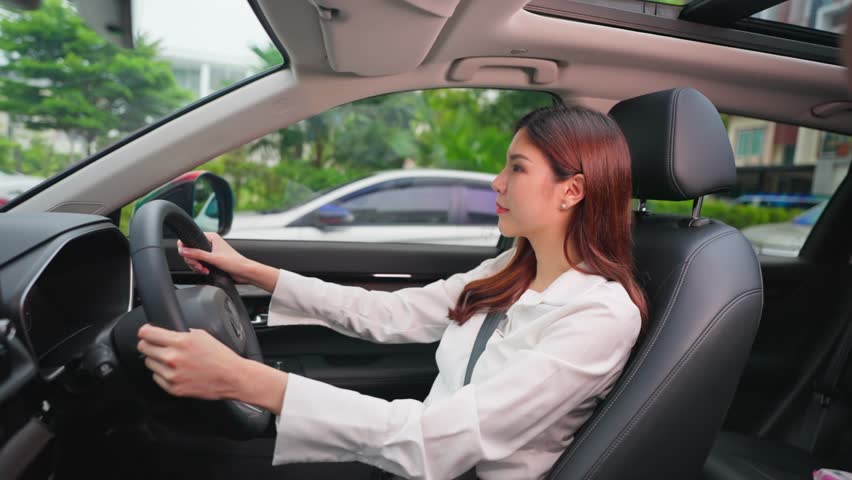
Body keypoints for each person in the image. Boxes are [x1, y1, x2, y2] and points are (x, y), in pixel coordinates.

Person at [136, 104, 649, 480]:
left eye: (516, 167)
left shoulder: (600, 316)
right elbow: (389, 313)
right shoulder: (510, 270)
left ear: (572, 190)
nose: (496, 182)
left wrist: (242, 378)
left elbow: (436, 441)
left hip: (446, 465)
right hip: (417, 458)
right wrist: (252, 271)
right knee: (196, 454)